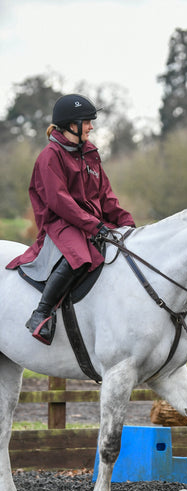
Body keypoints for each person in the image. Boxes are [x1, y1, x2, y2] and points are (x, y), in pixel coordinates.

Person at [6, 93, 136, 345]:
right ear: (70, 125)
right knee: (79, 255)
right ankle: (41, 314)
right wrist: (93, 225)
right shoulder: (49, 156)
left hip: (89, 222)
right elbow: (59, 201)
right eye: (87, 121)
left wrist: (127, 224)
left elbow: (106, 196)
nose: (91, 126)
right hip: (60, 223)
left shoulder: (90, 154)